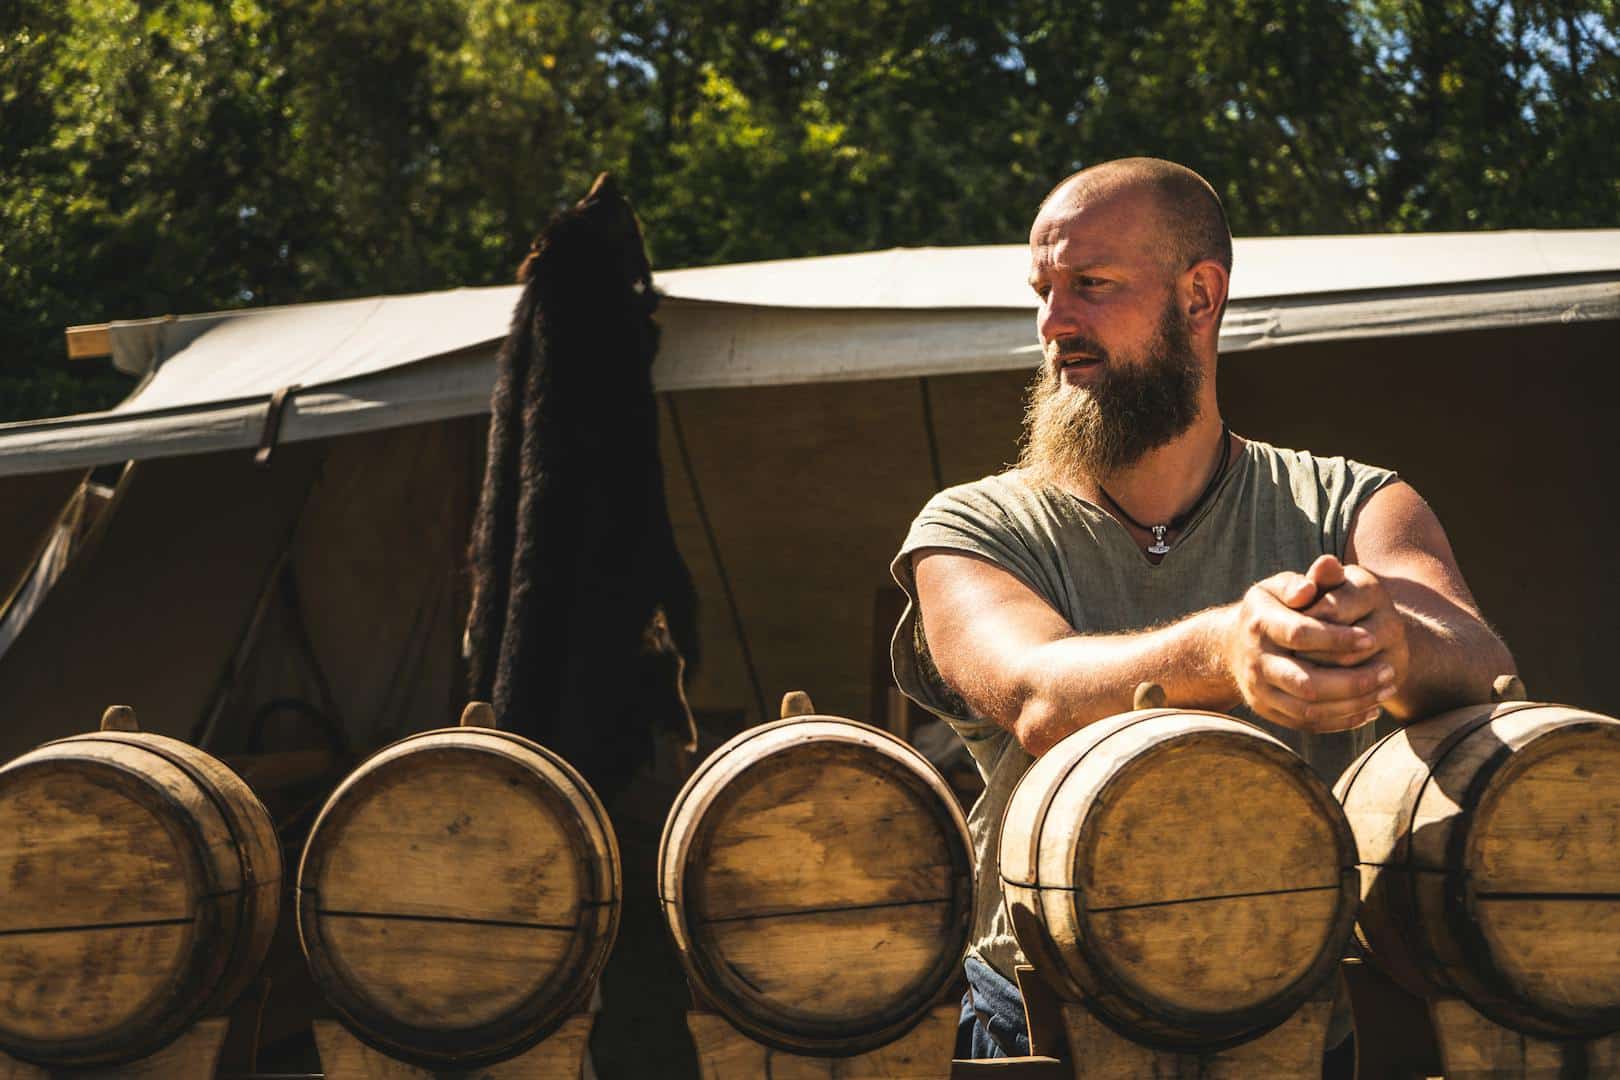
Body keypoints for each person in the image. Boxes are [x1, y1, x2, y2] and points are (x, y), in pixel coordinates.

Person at [888, 157, 1515, 1060]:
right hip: (1040, 1030)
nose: (1054, 322)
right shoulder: (973, 524)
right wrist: (1232, 649)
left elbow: (1482, 659)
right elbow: (1035, 693)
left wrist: (1390, 640)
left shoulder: (1352, 504)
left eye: (1090, 286)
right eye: (1045, 290)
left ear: (1200, 295)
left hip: (1295, 1026)